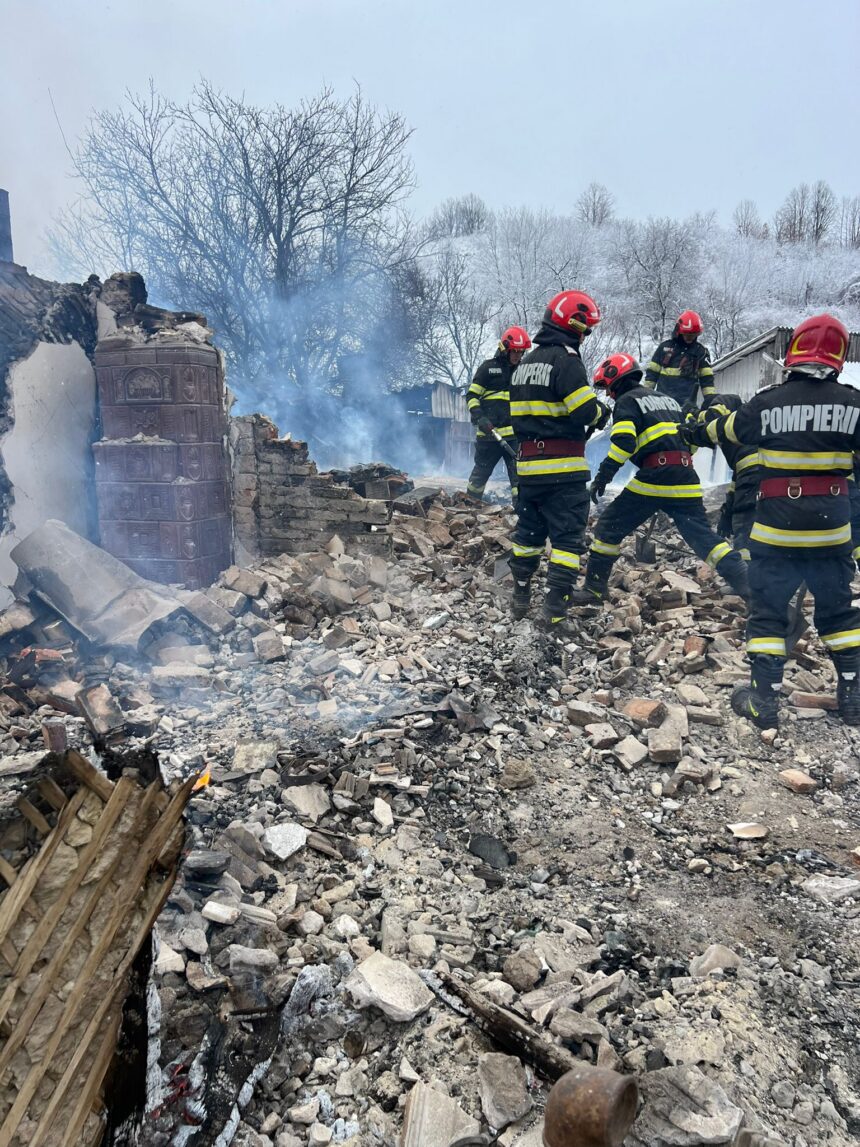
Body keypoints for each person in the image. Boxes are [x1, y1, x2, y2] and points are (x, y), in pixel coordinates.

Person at [685, 313, 860, 728]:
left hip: (775, 532)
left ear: (793, 351)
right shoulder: (854, 404)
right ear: (838, 356)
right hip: (832, 532)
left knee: (768, 610)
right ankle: (852, 697)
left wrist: (690, 429)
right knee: (838, 613)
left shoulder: (767, 402)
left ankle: (763, 701)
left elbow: (721, 431)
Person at [571, 354, 750, 604]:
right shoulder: (669, 401)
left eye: (608, 389)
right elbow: (692, 443)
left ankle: (593, 591)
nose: (609, 395)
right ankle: (755, 593)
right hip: (686, 476)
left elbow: (624, 441)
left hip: (655, 476)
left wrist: (603, 475)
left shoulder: (627, 400)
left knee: (607, 528)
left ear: (616, 381)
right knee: (706, 541)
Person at [508, 291, 609, 626]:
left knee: (528, 536)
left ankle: (520, 597)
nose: (586, 334)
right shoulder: (566, 360)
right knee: (567, 541)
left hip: (528, 472)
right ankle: (553, 613)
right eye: (585, 327)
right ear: (572, 324)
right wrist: (600, 411)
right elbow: (584, 411)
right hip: (563, 472)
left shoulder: (524, 365)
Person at [465, 327, 531, 502]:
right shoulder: (488, 368)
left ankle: (521, 516)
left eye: (521, 352)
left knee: (519, 479)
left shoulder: (523, 371)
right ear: (505, 349)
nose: (518, 355)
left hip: (514, 438)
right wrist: (480, 417)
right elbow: (471, 396)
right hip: (489, 435)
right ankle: (468, 509)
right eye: (514, 351)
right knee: (479, 477)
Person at [699, 393, 760, 560]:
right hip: (771, 476)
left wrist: (693, 415)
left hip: (754, 474)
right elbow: (736, 481)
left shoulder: (725, 402)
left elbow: (712, 416)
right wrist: (727, 512)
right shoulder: (748, 423)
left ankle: (747, 579)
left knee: (744, 525)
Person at [644, 310, 715, 410]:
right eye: (687, 335)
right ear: (678, 332)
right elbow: (652, 375)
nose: (690, 338)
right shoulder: (664, 348)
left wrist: (711, 402)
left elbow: (707, 381)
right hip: (662, 404)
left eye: (693, 335)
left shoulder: (701, 352)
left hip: (687, 407)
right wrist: (645, 396)